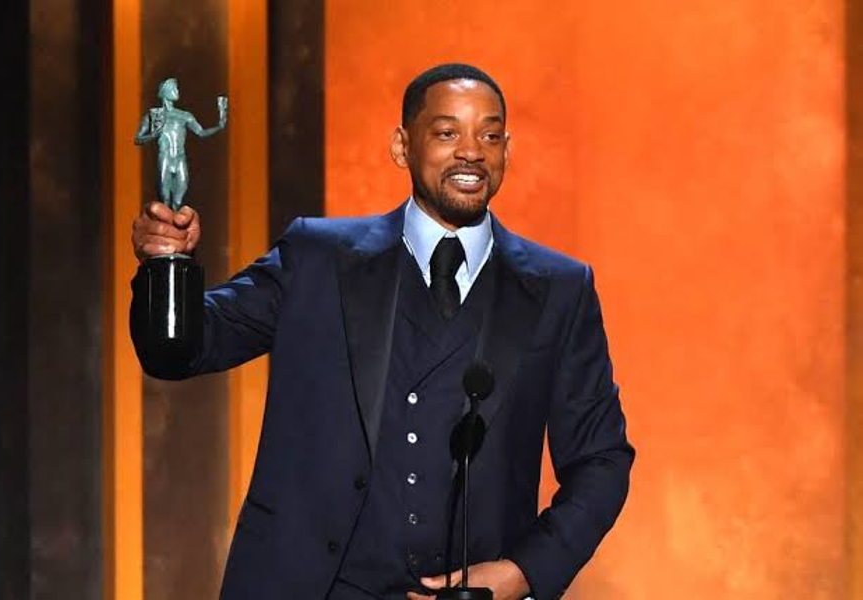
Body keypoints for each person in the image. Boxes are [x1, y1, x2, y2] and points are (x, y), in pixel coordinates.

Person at [130, 63, 634, 600]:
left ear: (507, 151)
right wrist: (166, 266)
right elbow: (182, 350)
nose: (471, 152)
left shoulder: (560, 290)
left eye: (489, 136)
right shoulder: (317, 258)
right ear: (402, 146)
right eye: (447, 133)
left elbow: (602, 460)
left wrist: (521, 571)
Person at [134, 77, 228, 211]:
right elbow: (138, 139)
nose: (177, 91)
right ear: (165, 92)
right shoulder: (154, 116)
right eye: (174, 88)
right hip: (165, 159)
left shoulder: (185, 116)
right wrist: (153, 135)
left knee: (178, 201)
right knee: (165, 200)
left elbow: (201, 132)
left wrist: (219, 126)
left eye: (176, 88)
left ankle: (175, 222)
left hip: (180, 159)